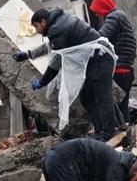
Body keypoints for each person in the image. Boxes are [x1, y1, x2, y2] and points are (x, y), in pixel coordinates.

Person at [15, 8, 118, 140]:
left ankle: (109, 134)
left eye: (36, 26)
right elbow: (50, 46)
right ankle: (101, 130)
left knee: (103, 97)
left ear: (43, 22)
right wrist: (28, 54)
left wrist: (43, 82)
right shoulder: (58, 23)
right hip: (96, 58)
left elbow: (56, 62)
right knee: (86, 96)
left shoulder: (56, 29)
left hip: (100, 58)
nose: (37, 31)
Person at [89, 0, 137, 125]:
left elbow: (101, 37)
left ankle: (121, 132)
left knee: (116, 108)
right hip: (127, 69)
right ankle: (127, 130)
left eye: (97, 11)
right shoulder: (121, 15)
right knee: (123, 107)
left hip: (120, 69)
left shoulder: (113, 17)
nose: (97, 15)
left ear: (103, 7)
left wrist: (84, 38)